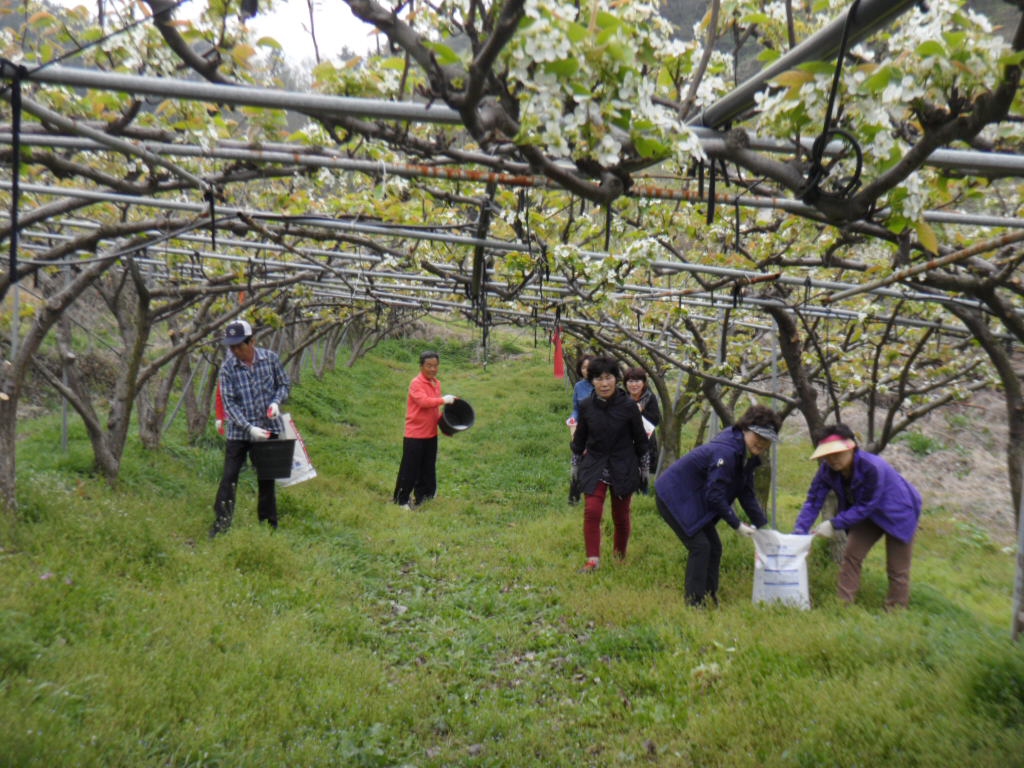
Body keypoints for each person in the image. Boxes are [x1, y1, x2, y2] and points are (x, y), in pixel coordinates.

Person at [654, 405, 781, 606]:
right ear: (746, 429)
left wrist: (763, 526)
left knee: (714, 546)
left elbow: (746, 493)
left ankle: (710, 596)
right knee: (701, 547)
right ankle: (694, 603)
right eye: (759, 436)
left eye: (767, 440)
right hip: (674, 496)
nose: (762, 443)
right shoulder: (728, 452)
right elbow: (714, 495)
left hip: (694, 498)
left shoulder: (745, 454)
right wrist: (736, 524)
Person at [793, 424, 922, 609]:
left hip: (898, 512)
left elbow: (867, 504)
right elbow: (814, 501)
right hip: (866, 514)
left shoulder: (872, 467)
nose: (832, 459)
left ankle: (896, 610)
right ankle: (842, 605)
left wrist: (834, 524)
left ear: (851, 447)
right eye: (828, 455)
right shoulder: (827, 470)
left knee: (897, 568)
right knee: (851, 556)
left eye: (837, 454)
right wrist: (799, 531)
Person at [211, 319, 291, 537]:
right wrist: (249, 428)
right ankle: (221, 524)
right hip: (239, 432)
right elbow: (229, 403)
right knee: (229, 477)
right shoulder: (228, 368)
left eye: (240, 345)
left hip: (267, 428)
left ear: (252, 341)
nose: (236, 351)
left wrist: (276, 402)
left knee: (267, 477)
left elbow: (284, 384)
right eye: (232, 347)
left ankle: (268, 525)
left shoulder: (270, 359)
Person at [571, 356, 649, 573]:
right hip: (595, 464)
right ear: (591, 381)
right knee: (592, 511)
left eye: (608, 378)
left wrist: (643, 471)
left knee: (621, 515)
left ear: (616, 379)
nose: (604, 383)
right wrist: (575, 469)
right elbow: (579, 440)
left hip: (623, 465)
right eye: (598, 379)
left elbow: (641, 441)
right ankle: (593, 560)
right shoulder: (587, 406)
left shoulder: (629, 407)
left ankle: (619, 554)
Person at [393, 351, 457, 510]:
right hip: (415, 434)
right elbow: (424, 402)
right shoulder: (416, 383)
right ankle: (402, 500)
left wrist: (447, 423)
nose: (432, 369)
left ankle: (424, 497)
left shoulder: (436, 383)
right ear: (421, 366)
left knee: (428, 467)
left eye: (435, 366)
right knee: (410, 467)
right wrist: (443, 400)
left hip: (431, 433)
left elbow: (434, 409)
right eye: (429, 365)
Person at [623, 367, 661, 491]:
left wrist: (640, 412)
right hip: (625, 441)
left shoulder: (650, 398)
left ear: (644, 382)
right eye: (630, 381)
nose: (634, 385)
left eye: (637, 381)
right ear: (625, 383)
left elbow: (655, 419)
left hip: (645, 440)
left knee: (644, 472)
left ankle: (643, 495)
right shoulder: (622, 398)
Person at [567, 354, 595, 504]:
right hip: (582, 430)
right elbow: (576, 409)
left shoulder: (602, 385)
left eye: (590, 367)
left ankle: (594, 495)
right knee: (577, 461)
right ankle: (574, 497)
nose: (587, 370)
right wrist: (573, 418)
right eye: (584, 367)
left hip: (598, 430)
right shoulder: (579, 386)